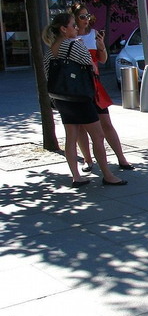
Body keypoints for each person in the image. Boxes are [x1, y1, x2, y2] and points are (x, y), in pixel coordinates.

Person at [42, 13, 127, 187]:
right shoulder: (74, 46)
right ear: (63, 29)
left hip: (61, 98)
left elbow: (47, 74)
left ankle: (76, 176)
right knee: (98, 136)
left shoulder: (49, 51)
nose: (76, 28)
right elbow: (92, 66)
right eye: (73, 25)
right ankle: (107, 175)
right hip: (80, 97)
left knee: (70, 137)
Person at [71, 3, 134, 173]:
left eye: (87, 15)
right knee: (82, 126)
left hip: (94, 83)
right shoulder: (71, 37)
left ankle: (121, 157)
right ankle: (88, 159)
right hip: (78, 85)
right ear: (75, 19)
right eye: (82, 16)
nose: (86, 19)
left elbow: (103, 59)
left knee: (106, 122)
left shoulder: (93, 34)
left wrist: (101, 47)